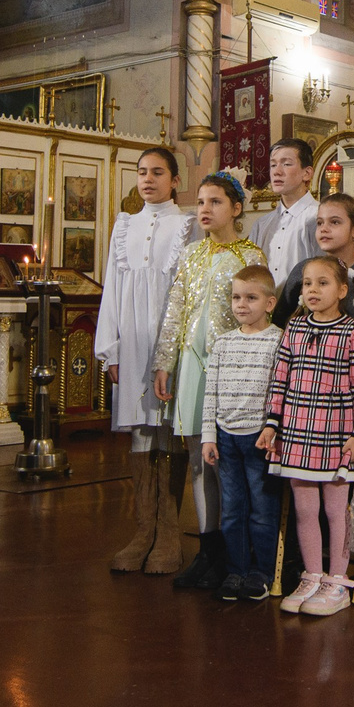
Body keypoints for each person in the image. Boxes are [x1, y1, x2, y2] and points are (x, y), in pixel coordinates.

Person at [152, 172, 264, 587]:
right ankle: (207, 547)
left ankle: (237, 552)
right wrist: (165, 361)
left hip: (231, 368)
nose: (204, 209)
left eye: (215, 202)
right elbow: (175, 309)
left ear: (236, 209)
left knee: (228, 459)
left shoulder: (250, 256)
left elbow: (256, 314)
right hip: (191, 365)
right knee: (199, 459)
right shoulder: (190, 255)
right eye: (200, 201)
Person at [95, 146, 192, 573]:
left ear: (174, 180)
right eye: (141, 173)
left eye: (157, 172)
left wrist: (177, 349)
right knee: (140, 429)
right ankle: (143, 531)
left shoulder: (187, 224)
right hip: (132, 339)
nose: (147, 180)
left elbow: (186, 289)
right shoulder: (123, 227)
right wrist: (110, 348)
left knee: (169, 428)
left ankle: (169, 535)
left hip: (167, 340)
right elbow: (112, 289)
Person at [262, 255, 354, 619]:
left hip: (335, 432)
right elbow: (279, 379)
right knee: (305, 508)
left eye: (322, 283)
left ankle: (337, 580)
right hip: (296, 431)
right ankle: (312, 575)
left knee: (334, 508)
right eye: (308, 283)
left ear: (342, 290)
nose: (312, 290)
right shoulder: (294, 328)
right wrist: (271, 424)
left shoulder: (353, 331)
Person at [202, 264, 285, 603]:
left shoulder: (278, 341)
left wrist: (272, 428)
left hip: (260, 438)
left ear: (269, 303)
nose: (241, 304)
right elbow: (211, 392)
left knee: (263, 510)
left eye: (251, 298)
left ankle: (261, 573)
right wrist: (209, 434)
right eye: (236, 297)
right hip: (226, 436)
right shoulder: (222, 343)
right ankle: (235, 570)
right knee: (232, 509)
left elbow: (281, 392)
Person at [274, 191, 354, 329]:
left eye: (334, 222)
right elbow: (280, 322)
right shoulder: (303, 269)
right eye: (320, 223)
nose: (324, 229)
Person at [251, 137, 320, 283]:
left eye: (287, 164)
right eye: (273, 165)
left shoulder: (318, 217)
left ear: (307, 173)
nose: (277, 172)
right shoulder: (261, 224)